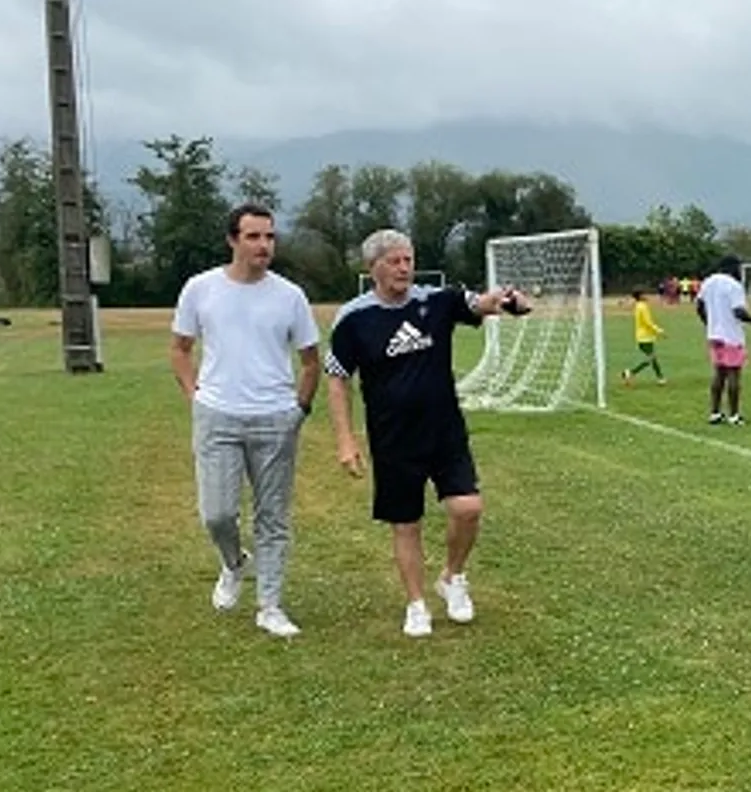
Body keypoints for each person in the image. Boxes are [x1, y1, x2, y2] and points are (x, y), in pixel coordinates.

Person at [324, 228, 528, 637]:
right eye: (394, 261)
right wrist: (346, 440)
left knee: (468, 508)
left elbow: (480, 303)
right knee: (406, 523)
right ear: (373, 267)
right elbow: (337, 378)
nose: (404, 268)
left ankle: (452, 577)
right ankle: (416, 604)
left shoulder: (436, 301)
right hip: (393, 438)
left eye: (408, 260)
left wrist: (508, 302)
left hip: (445, 431)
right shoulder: (353, 319)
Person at [169, 202, 321, 638]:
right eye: (254, 236)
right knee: (216, 514)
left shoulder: (290, 296)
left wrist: (300, 409)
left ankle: (270, 605)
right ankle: (234, 563)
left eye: (270, 237)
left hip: (275, 418)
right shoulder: (201, 289)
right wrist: (195, 396)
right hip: (218, 415)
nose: (264, 245)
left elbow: (311, 360)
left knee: (272, 518)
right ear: (233, 240)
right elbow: (179, 349)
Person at [696, 255, 751, 424]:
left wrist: (709, 323)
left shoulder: (708, 282)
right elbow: (738, 312)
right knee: (734, 374)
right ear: (732, 267)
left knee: (718, 373)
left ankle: (714, 412)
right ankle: (734, 415)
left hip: (714, 336)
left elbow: (699, 306)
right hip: (731, 336)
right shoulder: (733, 286)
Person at [620, 287, 667, 385]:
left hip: (642, 336)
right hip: (645, 337)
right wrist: (659, 331)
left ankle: (660, 378)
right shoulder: (642, 306)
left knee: (652, 358)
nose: (647, 295)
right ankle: (630, 372)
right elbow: (648, 322)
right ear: (640, 296)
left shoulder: (638, 306)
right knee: (650, 358)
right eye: (644, 294)